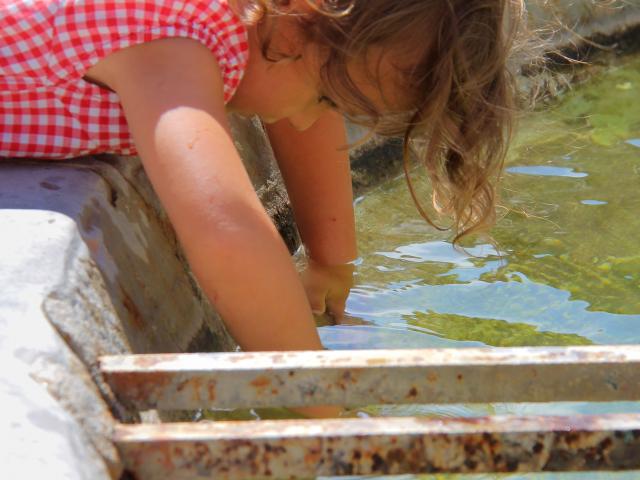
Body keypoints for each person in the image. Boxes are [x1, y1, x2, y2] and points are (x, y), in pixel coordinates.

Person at [1, 0, 521, 353]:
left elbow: (304, 119)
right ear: (297, 22)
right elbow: (226, 233)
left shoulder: (269, 27)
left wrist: (330, 260)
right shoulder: (173, 41)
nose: (307, 116)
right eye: (326, 96)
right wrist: (322, 402)